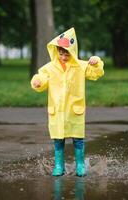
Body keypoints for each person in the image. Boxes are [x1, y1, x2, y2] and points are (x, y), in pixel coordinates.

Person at [30, 27, 104, 176]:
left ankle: (80, 165)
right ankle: (59, 165)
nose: (63, 56)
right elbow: (42, 78)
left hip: (74, 110)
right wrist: (37, 81)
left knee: (78, 139)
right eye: (61, 52)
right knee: (58, 139)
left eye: (66, 53)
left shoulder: (81, 66)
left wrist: (96, 62)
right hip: (57, 110)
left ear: (72, 51)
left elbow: (95, 73)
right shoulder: (49, 68)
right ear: (56, 51)